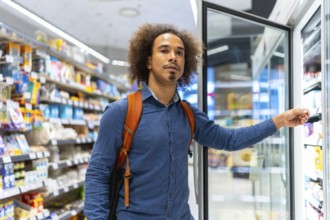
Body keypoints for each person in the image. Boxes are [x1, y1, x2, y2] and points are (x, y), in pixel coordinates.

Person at [84, 23, 310, 220]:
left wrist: (280, 120)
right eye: (164, 50)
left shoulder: (187, 113)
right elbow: (97, 174)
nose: (173, 56)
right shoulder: (121, 112)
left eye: (180, 52)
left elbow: (229, 139)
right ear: (149, 61)